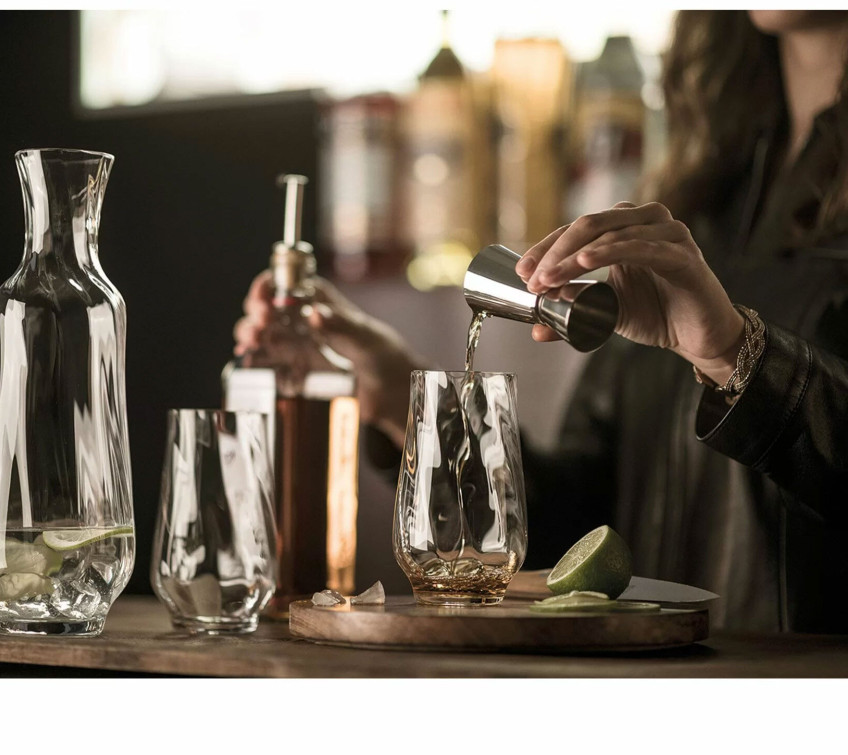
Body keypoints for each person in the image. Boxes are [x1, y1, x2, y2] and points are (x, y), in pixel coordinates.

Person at [233, 10, 848, 633]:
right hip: (663, 671)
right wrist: (399, 393)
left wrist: (731, 352)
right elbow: (579, 537)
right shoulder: (708, 191)